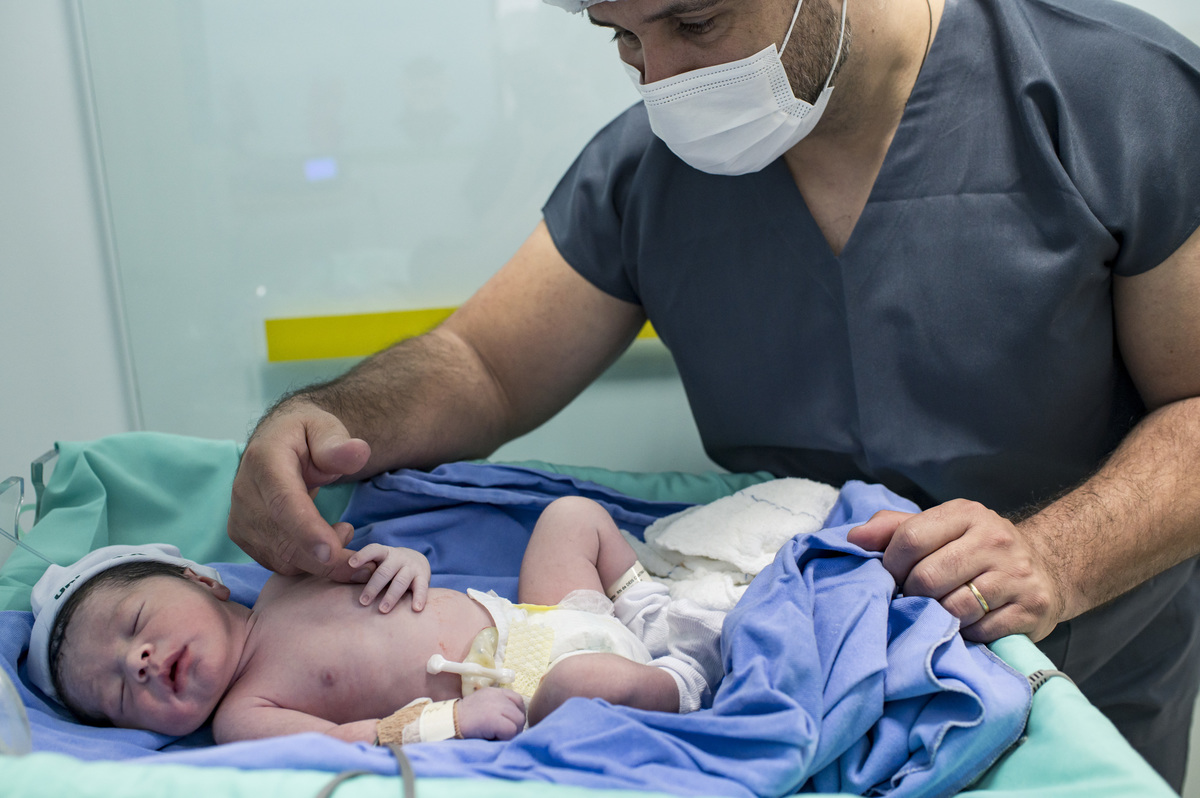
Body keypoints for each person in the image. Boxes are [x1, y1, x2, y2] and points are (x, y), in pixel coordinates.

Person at [226, 0, 1200, 787]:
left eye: (694, 24)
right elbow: (482, 364)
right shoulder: (650, 173)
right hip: (789, 686)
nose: (663, 78)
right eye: (623, 39)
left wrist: (1054, 557)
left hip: (1075, 658)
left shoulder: (1109, 97)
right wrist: (333, 418)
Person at [28, 497, 723, 744]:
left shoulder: (291, 574)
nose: (139, 661)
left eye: (135, 624)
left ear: (202, 580)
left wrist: (401, 563)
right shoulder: (247, 713)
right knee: (580, 684)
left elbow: (386, 572)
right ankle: (684, 675)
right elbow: (351, 739)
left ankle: (648, 609)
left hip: (539, 615)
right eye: (120, 692)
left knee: (570, 518)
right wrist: (452, 724)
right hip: (526, 689)